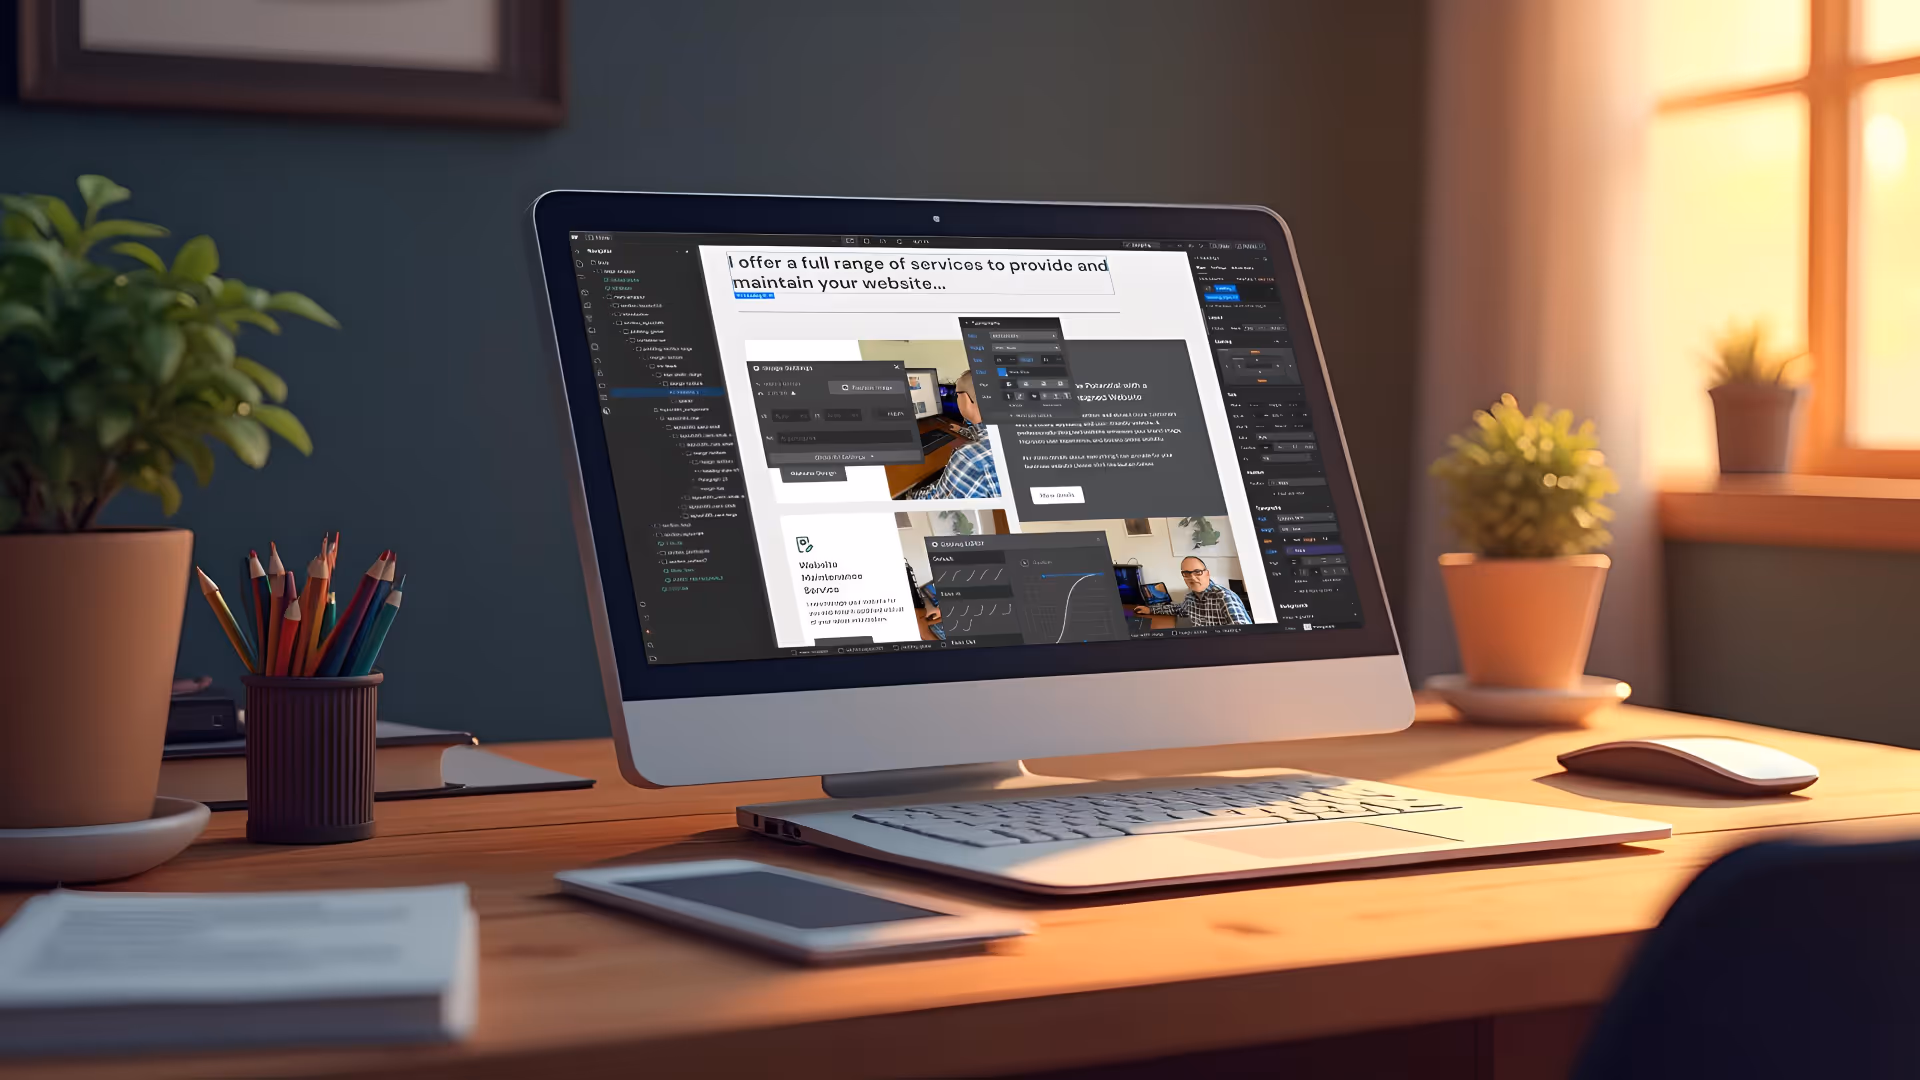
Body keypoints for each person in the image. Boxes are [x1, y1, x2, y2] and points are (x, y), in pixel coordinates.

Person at [912, 371, 1001, 500]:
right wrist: (962, 430)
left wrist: (910, 494)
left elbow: (936, 500)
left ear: (965, 398)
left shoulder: (969, 459)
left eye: (957, 394)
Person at [1133, 556, 1251, 626]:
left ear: (1207, 573)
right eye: (1187, 573)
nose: (1192, 578)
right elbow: (1178, 609)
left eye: (1198, 572)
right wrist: (1150, 609)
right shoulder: (1190, 596)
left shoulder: (1224, 597)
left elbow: (1245, 634)